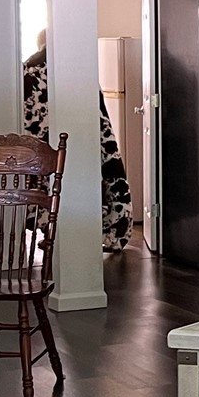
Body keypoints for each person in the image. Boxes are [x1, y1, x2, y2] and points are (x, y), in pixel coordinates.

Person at [23, 32, 133, 252]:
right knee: (77, 188)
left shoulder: (26, 70)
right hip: (80, 142)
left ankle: (48, 230)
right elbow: (101, 118)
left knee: (45, 188)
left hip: (37, 151)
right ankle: (96, 236)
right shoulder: (80, 71)